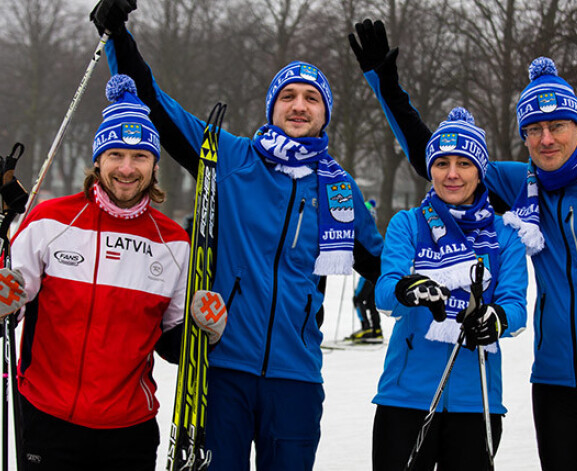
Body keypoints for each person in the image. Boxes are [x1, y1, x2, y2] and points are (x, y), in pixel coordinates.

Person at [350, 19, 577, 471]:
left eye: (556, 125)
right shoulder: (520, 184)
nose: (545, 138)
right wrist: (387, 85)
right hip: (556, 384)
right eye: (534, 129)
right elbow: (436, 157)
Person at [90, 2, 384, 470]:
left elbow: (383, 265)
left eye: (312, 97)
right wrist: (118, 34)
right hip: (222, 368)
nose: (299, 105)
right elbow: (155, 105)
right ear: (272, 108)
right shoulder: (229, 158)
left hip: (296, 376)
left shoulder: (338, 189)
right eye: (288, 96)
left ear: (325, 112)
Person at [0, 74, 226, 471]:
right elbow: (11, 309)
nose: (126, 168)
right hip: (46, 419)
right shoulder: (50, 221)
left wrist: (204, 330)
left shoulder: (174, 242)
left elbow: (174, 346)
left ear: (154, 165)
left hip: (129, 431)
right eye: (116, 154)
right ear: (98, 159)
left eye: (139, 157)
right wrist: (4, 300)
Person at [372, 106, 527, 470]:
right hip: (405, 397)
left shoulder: (506, 234)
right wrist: (407, 290)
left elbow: (516, 307)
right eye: (442, 164)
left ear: (480, 171)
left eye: (464, 163)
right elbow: (384, 292)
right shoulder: (408, 223)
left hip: (477, 401)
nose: (452, 174)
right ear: (430, 170)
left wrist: (495, 318)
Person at [349, 199, 384, 342]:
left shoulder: (365, 223)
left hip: (369, 270)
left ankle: (367, 328)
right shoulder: (372, 226)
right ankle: (376, 330)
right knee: (370, 301)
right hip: (376, 267)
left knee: (358, 298)